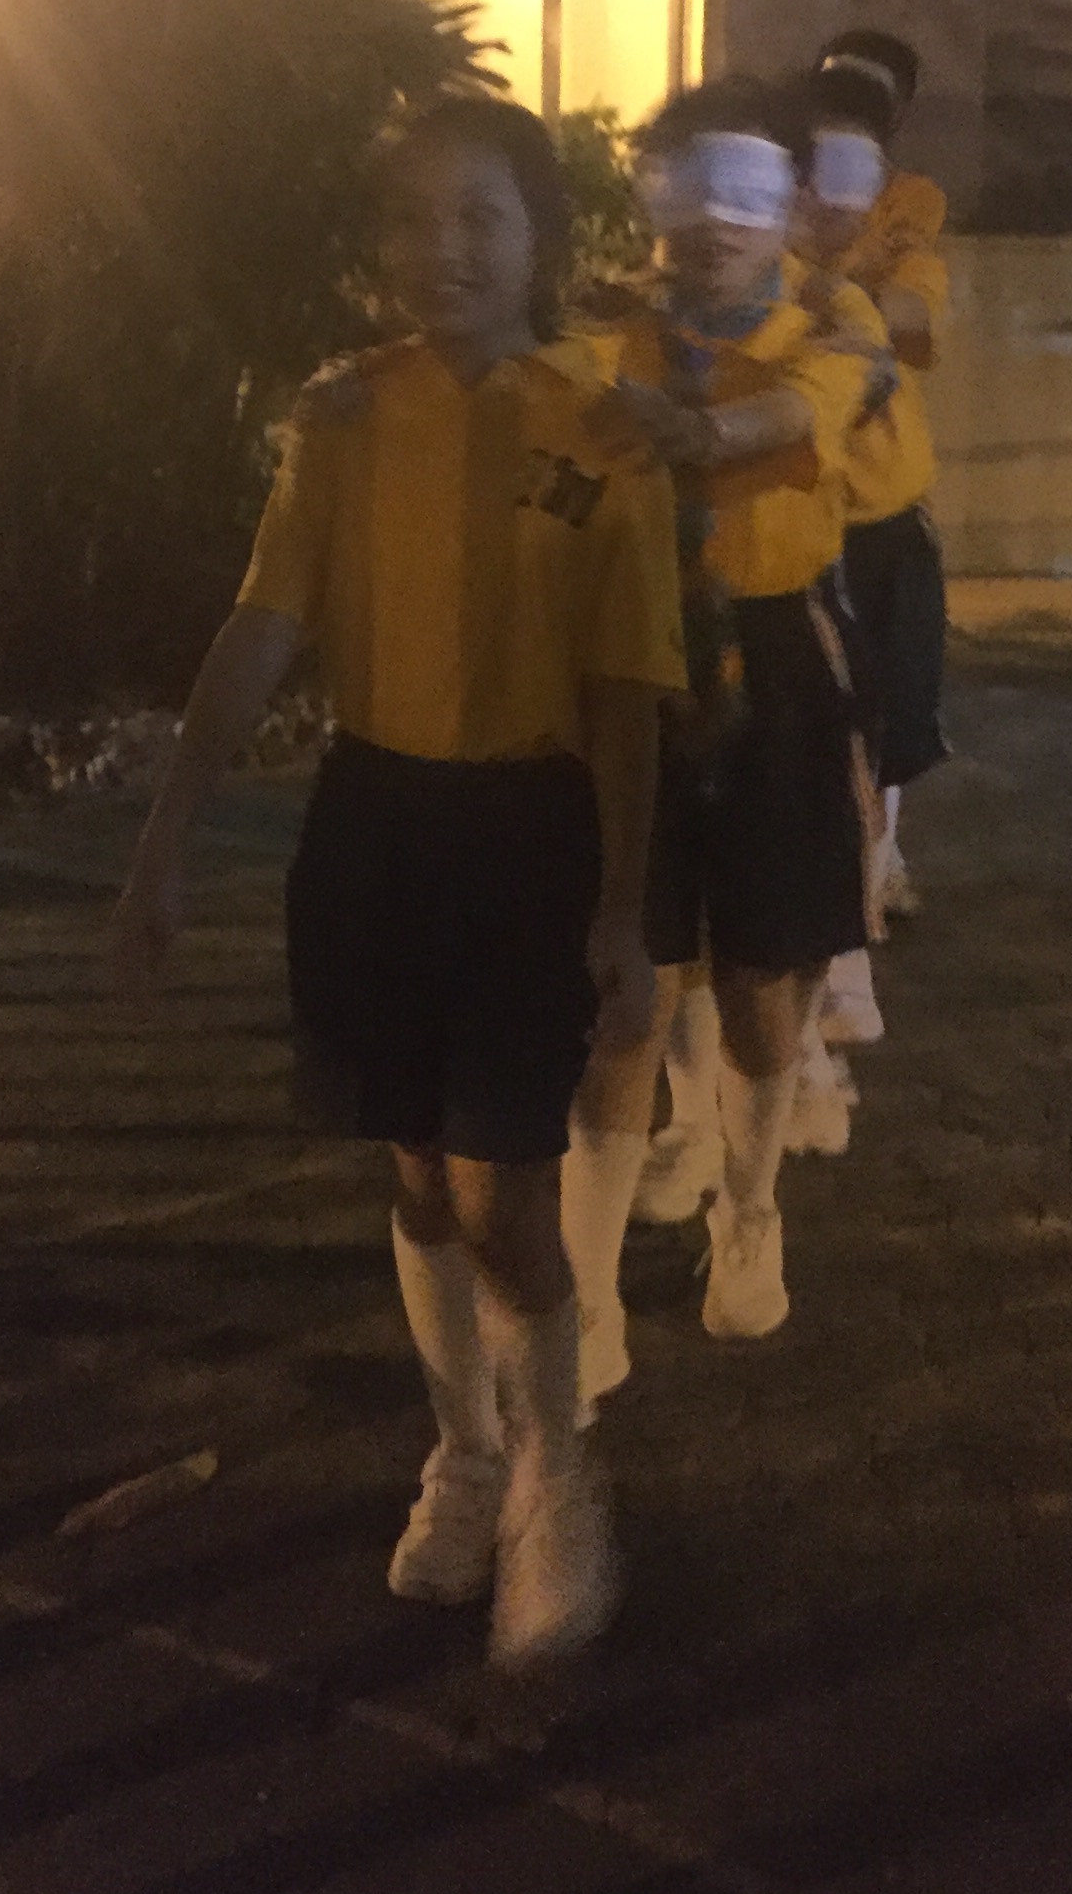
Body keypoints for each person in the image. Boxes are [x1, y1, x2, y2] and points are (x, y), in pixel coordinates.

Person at [111, 95, 683, 1669]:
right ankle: (468, 1455)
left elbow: (630, 688)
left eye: (481, 217)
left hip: (528, 831)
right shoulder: (344, 421)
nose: (446, 250)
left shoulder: (604, 430)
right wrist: (166, 840)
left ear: (540, 238)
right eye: (414, 219)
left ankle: (560, 1475)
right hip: (372, 827)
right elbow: (262, 629)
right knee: (419, 1174)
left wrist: (623, 906)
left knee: (503, 1190)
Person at [560, 78, 883, 1411]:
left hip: (775, 670)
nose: (711, 222)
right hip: (626, 667)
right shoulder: (603, 337)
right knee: (622, 993)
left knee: (759, 989)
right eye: (683, 190)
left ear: (792, 206)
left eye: (744, 193)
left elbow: (796, 414)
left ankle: (747, 1211)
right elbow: (535, 460)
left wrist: (686, 429)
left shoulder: (833, 329)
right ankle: (581, 1305)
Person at [794, 33, 951, 923]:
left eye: (868, 123)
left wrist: (828, 279)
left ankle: (877, 867)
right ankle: (840, 875)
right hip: (802, 509)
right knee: (818, 713)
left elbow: (915, 312)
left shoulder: (908, 214)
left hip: (886, 508)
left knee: (893, 709)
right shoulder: (772, 212)